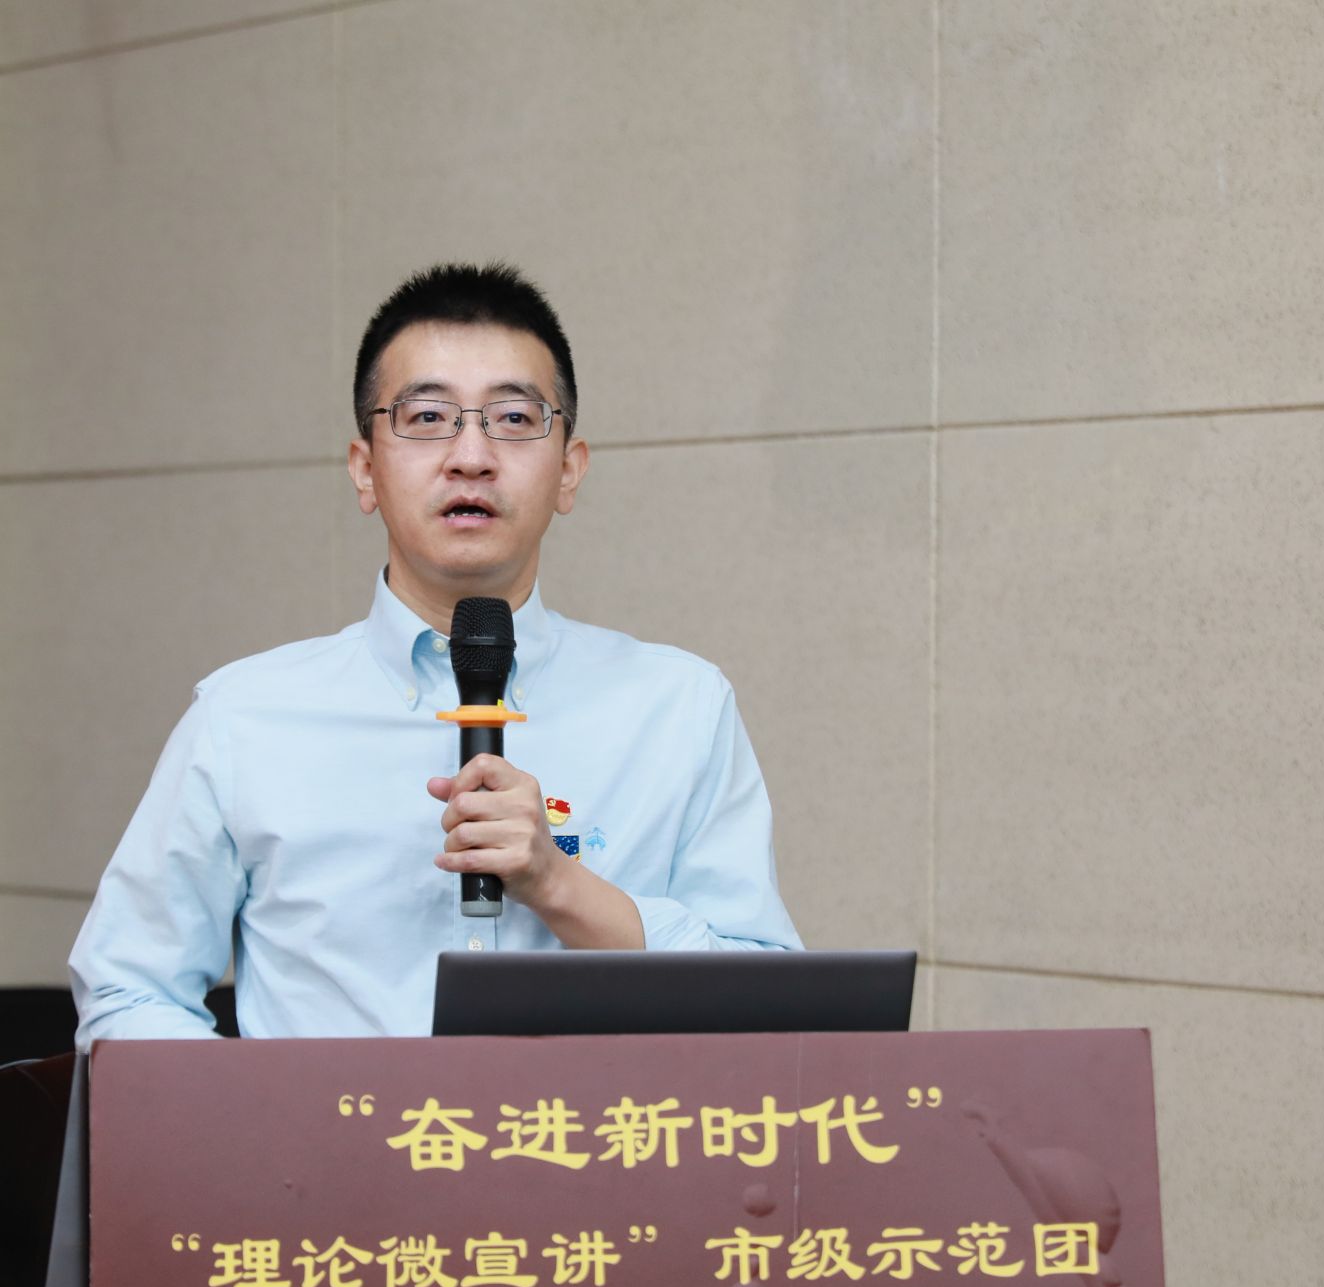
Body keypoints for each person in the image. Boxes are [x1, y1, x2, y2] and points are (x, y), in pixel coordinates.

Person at [70, 263, 800, 1041]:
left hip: (593, 1123)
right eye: (427, 417)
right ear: (365, 470)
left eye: (513, 418)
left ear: (569, 470)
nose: (471, 455)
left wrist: (560, 885)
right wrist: (272, 1112)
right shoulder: (244, 718)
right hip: (330, 1128)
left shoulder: (679, 707)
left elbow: (774, 1011)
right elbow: (127, 991)